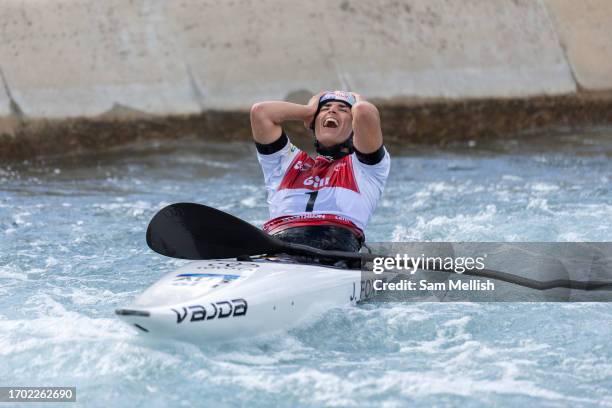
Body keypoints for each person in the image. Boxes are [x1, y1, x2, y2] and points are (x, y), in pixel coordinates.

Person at [250, 91, 390, 254]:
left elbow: (364, 111)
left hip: (337, 250)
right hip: (277, 247)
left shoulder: (367, 169)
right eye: (325, 108)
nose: (332, 111)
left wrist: (357, 98)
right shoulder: (286, 163)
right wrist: (308, 111)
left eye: (343, 109)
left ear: (354, 125)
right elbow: (260, 112)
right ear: (313, 123)